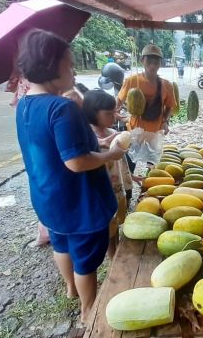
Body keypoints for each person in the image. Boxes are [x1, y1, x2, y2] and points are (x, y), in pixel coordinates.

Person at [14, 29, 126, 321]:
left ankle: (70, 289)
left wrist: (96, 143)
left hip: (48, 198)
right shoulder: (62, 107)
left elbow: (56, 146)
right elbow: (76, 162)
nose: (73, 69)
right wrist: (109, 155)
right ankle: (88, 310)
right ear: (52, 65)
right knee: (86, 261)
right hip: (79, 204)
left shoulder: (25, 104)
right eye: (69, 63)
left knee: (61, 243)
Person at [82, 89, 134, 258]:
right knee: (107, 228)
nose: (113, 117)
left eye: (115, 112)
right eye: (108, 113)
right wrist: (104, 144)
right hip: (103, 191)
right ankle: (112, 257)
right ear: (92, 113)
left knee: (117, 223)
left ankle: (117, 250)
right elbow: (87, 157)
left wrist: (131, 177)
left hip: (117, 188)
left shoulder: (113, 133)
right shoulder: (88, 136)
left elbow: (121, 162)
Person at [117, 44, 176, 136]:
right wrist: (119, 116)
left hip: (156, 132)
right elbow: (119, 101)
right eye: (149, 61)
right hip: (135, 130)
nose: (152, 65)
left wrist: (165, 122)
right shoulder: (132, 81)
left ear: (160, 63)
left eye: (156, 62)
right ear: (141, 60)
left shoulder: (167, 85)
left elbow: (169, 107)